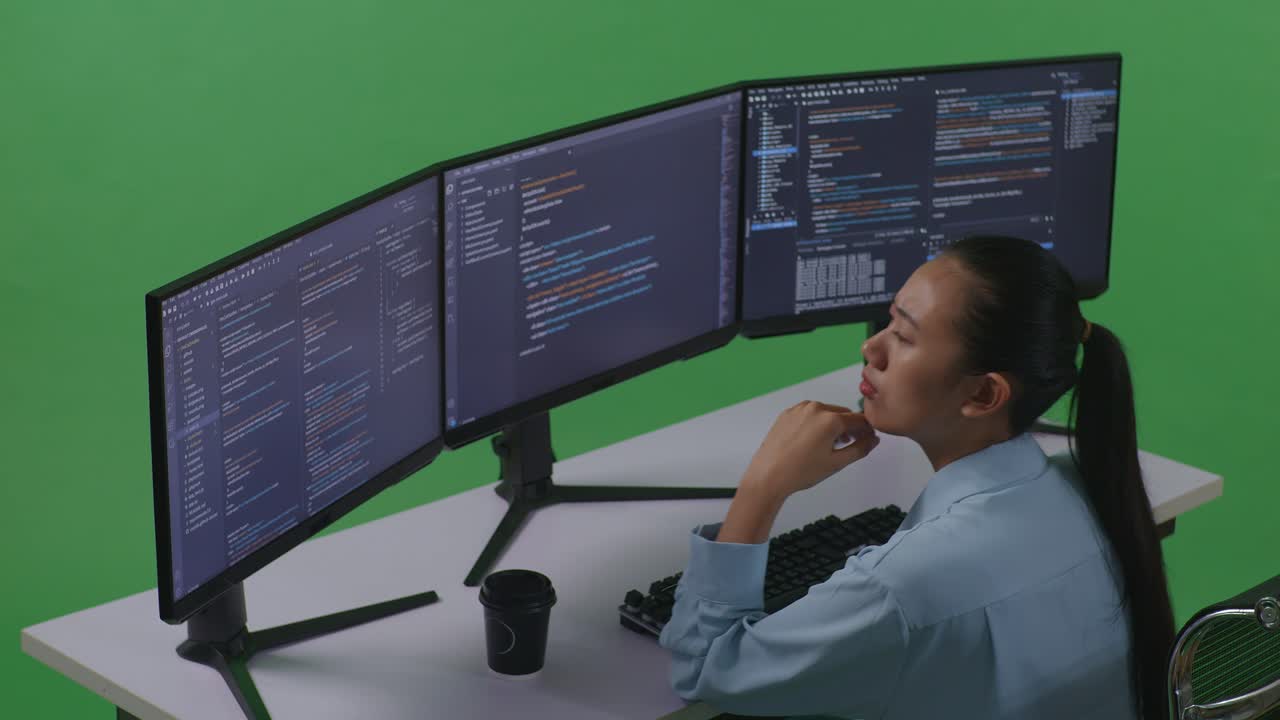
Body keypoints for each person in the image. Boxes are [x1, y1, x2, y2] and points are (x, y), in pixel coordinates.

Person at [658, 236, 1174, 720]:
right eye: (889, 321)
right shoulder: (1088, 486)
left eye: (904, 337)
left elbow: (705, 667)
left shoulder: (897, 587)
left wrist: (763, 487)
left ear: (983, 395)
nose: (872, 349)